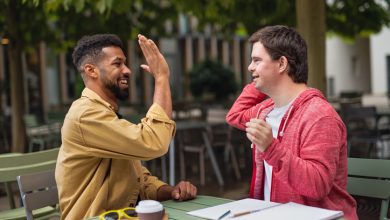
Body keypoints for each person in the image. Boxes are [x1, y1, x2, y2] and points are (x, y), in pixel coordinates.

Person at [55, 34, 197, 219]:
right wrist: (161, 78)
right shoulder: (86, 115)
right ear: (91, 70)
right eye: (117, 63)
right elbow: (154, 142)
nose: (128, 70)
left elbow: (138, 178)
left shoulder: (104, 112)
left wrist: (170, 191)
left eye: (125, 63)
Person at [226, 25, 357, 220]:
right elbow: (234, 115)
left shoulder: (320, 115)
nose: (249, 67)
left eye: (256, 60)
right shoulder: (266, 110)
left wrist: (270, 148)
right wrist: (260, 81)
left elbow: (317, 185)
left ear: (281, 64)